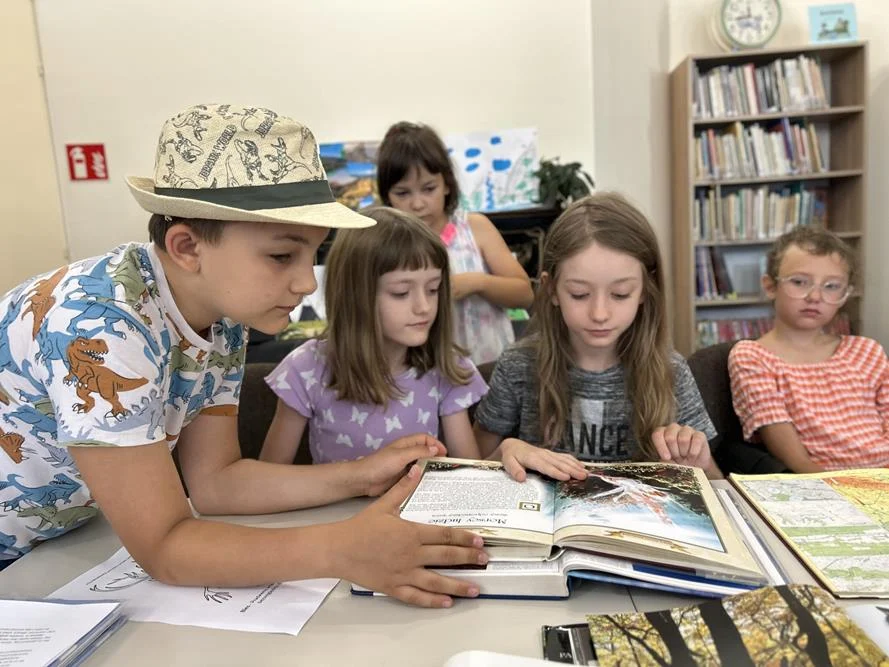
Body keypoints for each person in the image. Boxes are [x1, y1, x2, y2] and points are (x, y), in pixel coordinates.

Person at [0, 103, 489, 607]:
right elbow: (165, 546)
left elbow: (217, 485)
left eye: (312, 255)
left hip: (49, 551)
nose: (304, 283)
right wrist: (341, 547)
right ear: (187, 246)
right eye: (282, 256)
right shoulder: (101, 325)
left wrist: (359, 473)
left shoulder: (225, 317)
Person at [473, 193, 722, 479]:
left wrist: (697, 462)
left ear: (645, 291)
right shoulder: (518, 365)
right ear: (551, 289)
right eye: (579, 294)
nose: (600, 313)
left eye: (620, 294)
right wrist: (506, 450)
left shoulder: (670, 370)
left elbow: (717, 487)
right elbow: (470, 468)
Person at [260, 207, 487, 465]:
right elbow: (269, 479)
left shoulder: (446, 367)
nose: (423, 306)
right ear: (356, 297)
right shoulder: (305, 369)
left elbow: (472, 474)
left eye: (433, 289)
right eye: (401, 293)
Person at [729, 227, 889, 472]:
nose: (815, 296)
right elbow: (798, 463)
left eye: (832, 286)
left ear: (845, 294)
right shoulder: (753, 357)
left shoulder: (868, 351)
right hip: (825, 487)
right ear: (770, 286)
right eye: (799, 282)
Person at [377, 122, 534, 366]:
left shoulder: (475, 228)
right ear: (387, 197)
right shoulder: (387, 245)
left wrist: (477, 282)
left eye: (429, 189)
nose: (418, 204)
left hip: (491, 368)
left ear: (447, 184)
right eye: (403, 193)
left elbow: (524, 294)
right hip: (426, 377)